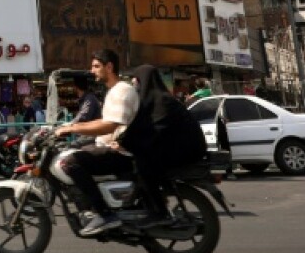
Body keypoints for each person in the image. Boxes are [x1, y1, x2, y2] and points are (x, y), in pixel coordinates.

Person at [55, 49, 139, 236]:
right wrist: (71, 125)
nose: (92, 71)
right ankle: (89, 208)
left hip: (121, 152)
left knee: (70, 162)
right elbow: (103, 121)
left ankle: (104, 214)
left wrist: (73, 129)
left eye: (96, 66)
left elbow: (109, 126)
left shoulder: (122, 90)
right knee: (73, 153)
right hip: (110, 146)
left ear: (109, 67)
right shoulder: (113, 91)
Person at [118, 65, 209, 221]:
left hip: (188, 149)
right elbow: (142, 126)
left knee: (143, 164)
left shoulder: (162, 101)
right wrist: (123, 139)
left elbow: (155, 128)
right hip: (178, 146)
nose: (134, 85)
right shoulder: (154, 99)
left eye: (136, 81)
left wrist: (126, 142)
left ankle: (158, 212)